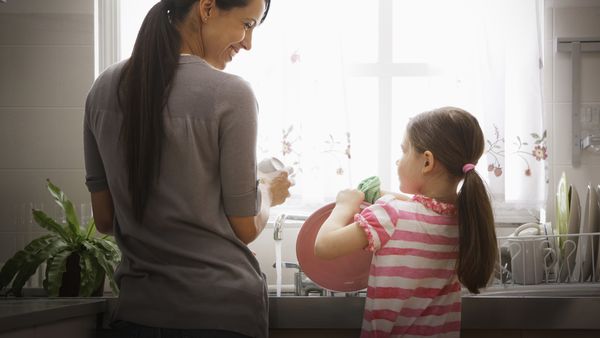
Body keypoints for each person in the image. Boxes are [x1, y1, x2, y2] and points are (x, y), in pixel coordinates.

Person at [84, 0, 291, 337]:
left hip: (137, 315)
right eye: (247, 24)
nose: (248, 43)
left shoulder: (102, 89)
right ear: (207, 8)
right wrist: (268, 190)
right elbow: (246, 227)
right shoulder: (231, 94)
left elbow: (105, 219)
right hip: (221, 314)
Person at [314, 107, 498, 338]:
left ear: (427, 162)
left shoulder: (391, 214)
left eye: (403, 151)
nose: (397, 160)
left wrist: (344, 206)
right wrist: (381, 195)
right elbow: (425, 206)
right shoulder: (464, 218)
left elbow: (324, 246)